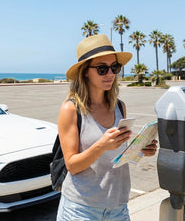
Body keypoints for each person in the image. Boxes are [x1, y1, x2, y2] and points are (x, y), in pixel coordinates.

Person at [56, 34, 158, 221]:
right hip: (81, 209)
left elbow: (117, 155)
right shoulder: (71, 109)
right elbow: (71, 165)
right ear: (85, 72)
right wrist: (101, 145)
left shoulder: (119, 106)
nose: (111, 74)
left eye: (115, 67)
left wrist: (141, 149)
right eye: (102, 69)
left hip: (118, 206)